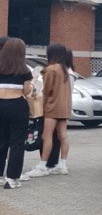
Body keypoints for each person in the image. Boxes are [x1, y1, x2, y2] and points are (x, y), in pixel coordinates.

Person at [24, 44, 72, 179]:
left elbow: (46, 90)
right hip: (64, 106)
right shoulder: (64, 69)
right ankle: (62, 165)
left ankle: (42, 166)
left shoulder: (51, 69)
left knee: (46, 136)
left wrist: (42, 106)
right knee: (63, 135)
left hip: (52, 106)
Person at [0, 38, 34, 189]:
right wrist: (32, 86)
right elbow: (26, 91)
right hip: (17, 106)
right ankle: (12, 178)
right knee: (17, 143)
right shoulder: (24, 70)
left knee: (1, 141)